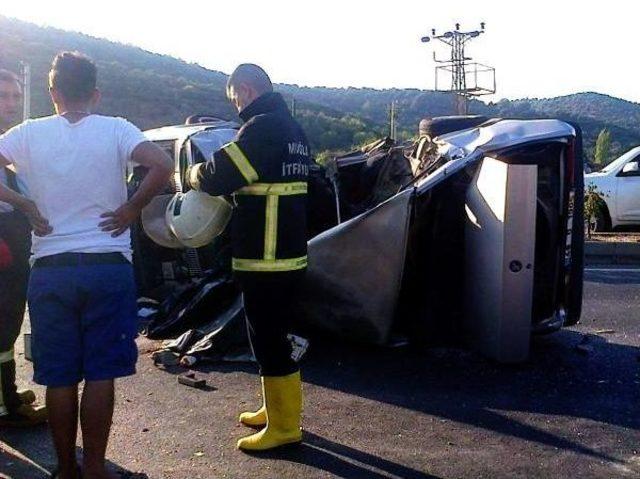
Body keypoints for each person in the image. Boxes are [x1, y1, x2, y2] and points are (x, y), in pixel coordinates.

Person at [0, 52, 173, 479]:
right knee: (100, 374)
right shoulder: (116, 129)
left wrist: (23, 203)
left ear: (52, 92)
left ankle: (64, 470)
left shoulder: (27, 134)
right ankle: (94, 469)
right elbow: (163, 165)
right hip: (107, 265)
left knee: (59, 378)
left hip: (51, 268)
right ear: (95, 93)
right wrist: (132, 207)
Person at [185, 64, 311, 451]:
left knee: (267, 337)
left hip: (266, 253)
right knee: (271, 333)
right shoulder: (293, 129)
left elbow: (220, 175)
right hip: (287, 252)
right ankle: (274, 409)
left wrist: (192, 175)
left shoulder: (262, 127)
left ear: (245, 89)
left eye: (234, 96)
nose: (236, 104)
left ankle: (284, 427)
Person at [0, 68, 48, 427]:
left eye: (15, 96)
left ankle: (7, 393)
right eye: (4, 96)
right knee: (3, 323)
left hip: (10, 233)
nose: (12, 103)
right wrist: (27, 205)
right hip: (3, 237)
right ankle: (7, 409)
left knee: (7, 320)